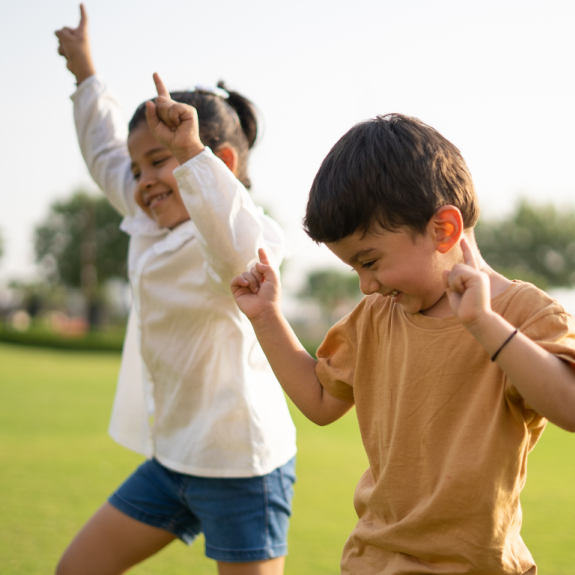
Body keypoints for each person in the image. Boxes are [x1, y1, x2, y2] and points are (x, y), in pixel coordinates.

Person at [231, 113, 575, 574]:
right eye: (355, 269)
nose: (366, 286)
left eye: (370, 261)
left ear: (443, 230)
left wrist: (485, 324)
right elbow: (319, 401)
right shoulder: (377, 317)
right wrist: (267, 317)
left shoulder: (524, 315)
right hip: (373, 561)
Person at [54, 5, 296, 575]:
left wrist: (189, 154)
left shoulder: (233, 236)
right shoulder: (148, 221)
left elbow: (238, 246)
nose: (142, 182)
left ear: (221, 164)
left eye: (159, 161)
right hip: (173, 461)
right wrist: (86, 74)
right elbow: (107, 155)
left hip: (242, 468)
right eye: (139, 171)